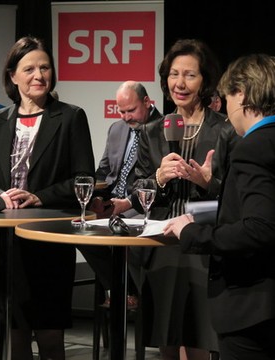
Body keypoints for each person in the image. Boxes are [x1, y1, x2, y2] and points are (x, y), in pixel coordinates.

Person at [164, 53, 275, 359]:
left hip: (257, 310)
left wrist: (192, 232)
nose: (224, 107)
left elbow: (259, 229)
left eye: (227, 97)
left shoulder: (253, 147)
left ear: (243, 94)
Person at [112, 39, 239, 360]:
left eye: (190, 75)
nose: (180, 83)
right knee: (166, 342)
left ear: (205, 80)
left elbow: (237, 198)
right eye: (173, 74)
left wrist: (209, 183)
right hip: (162, 244)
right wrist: (157, 178)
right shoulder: (153, 130)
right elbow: (136, 194)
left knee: (199, 343)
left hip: (204, 247)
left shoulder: (224, 131)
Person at [0, 36, 95, 360]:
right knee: (16, 339)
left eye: (45, 67)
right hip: (2, 244)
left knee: (51, 337)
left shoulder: (71, 117)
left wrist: (38, 197)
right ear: (13, 76)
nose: (39, 75)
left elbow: (84, 180)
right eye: (29, 69)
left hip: (50, 241)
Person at [78, 80, 162, 308]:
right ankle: (122, 289)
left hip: (142, 206)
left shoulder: (161, 131)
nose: (126, 117)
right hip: (111, 203)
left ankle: (126, 292)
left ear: (147, 102)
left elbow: (156, 182)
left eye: (131, 110)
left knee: (121, 234)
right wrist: (95, 197)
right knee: (80, 229)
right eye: (122, 111)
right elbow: (103, 171)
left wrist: (126, 203)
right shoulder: (116, 129)